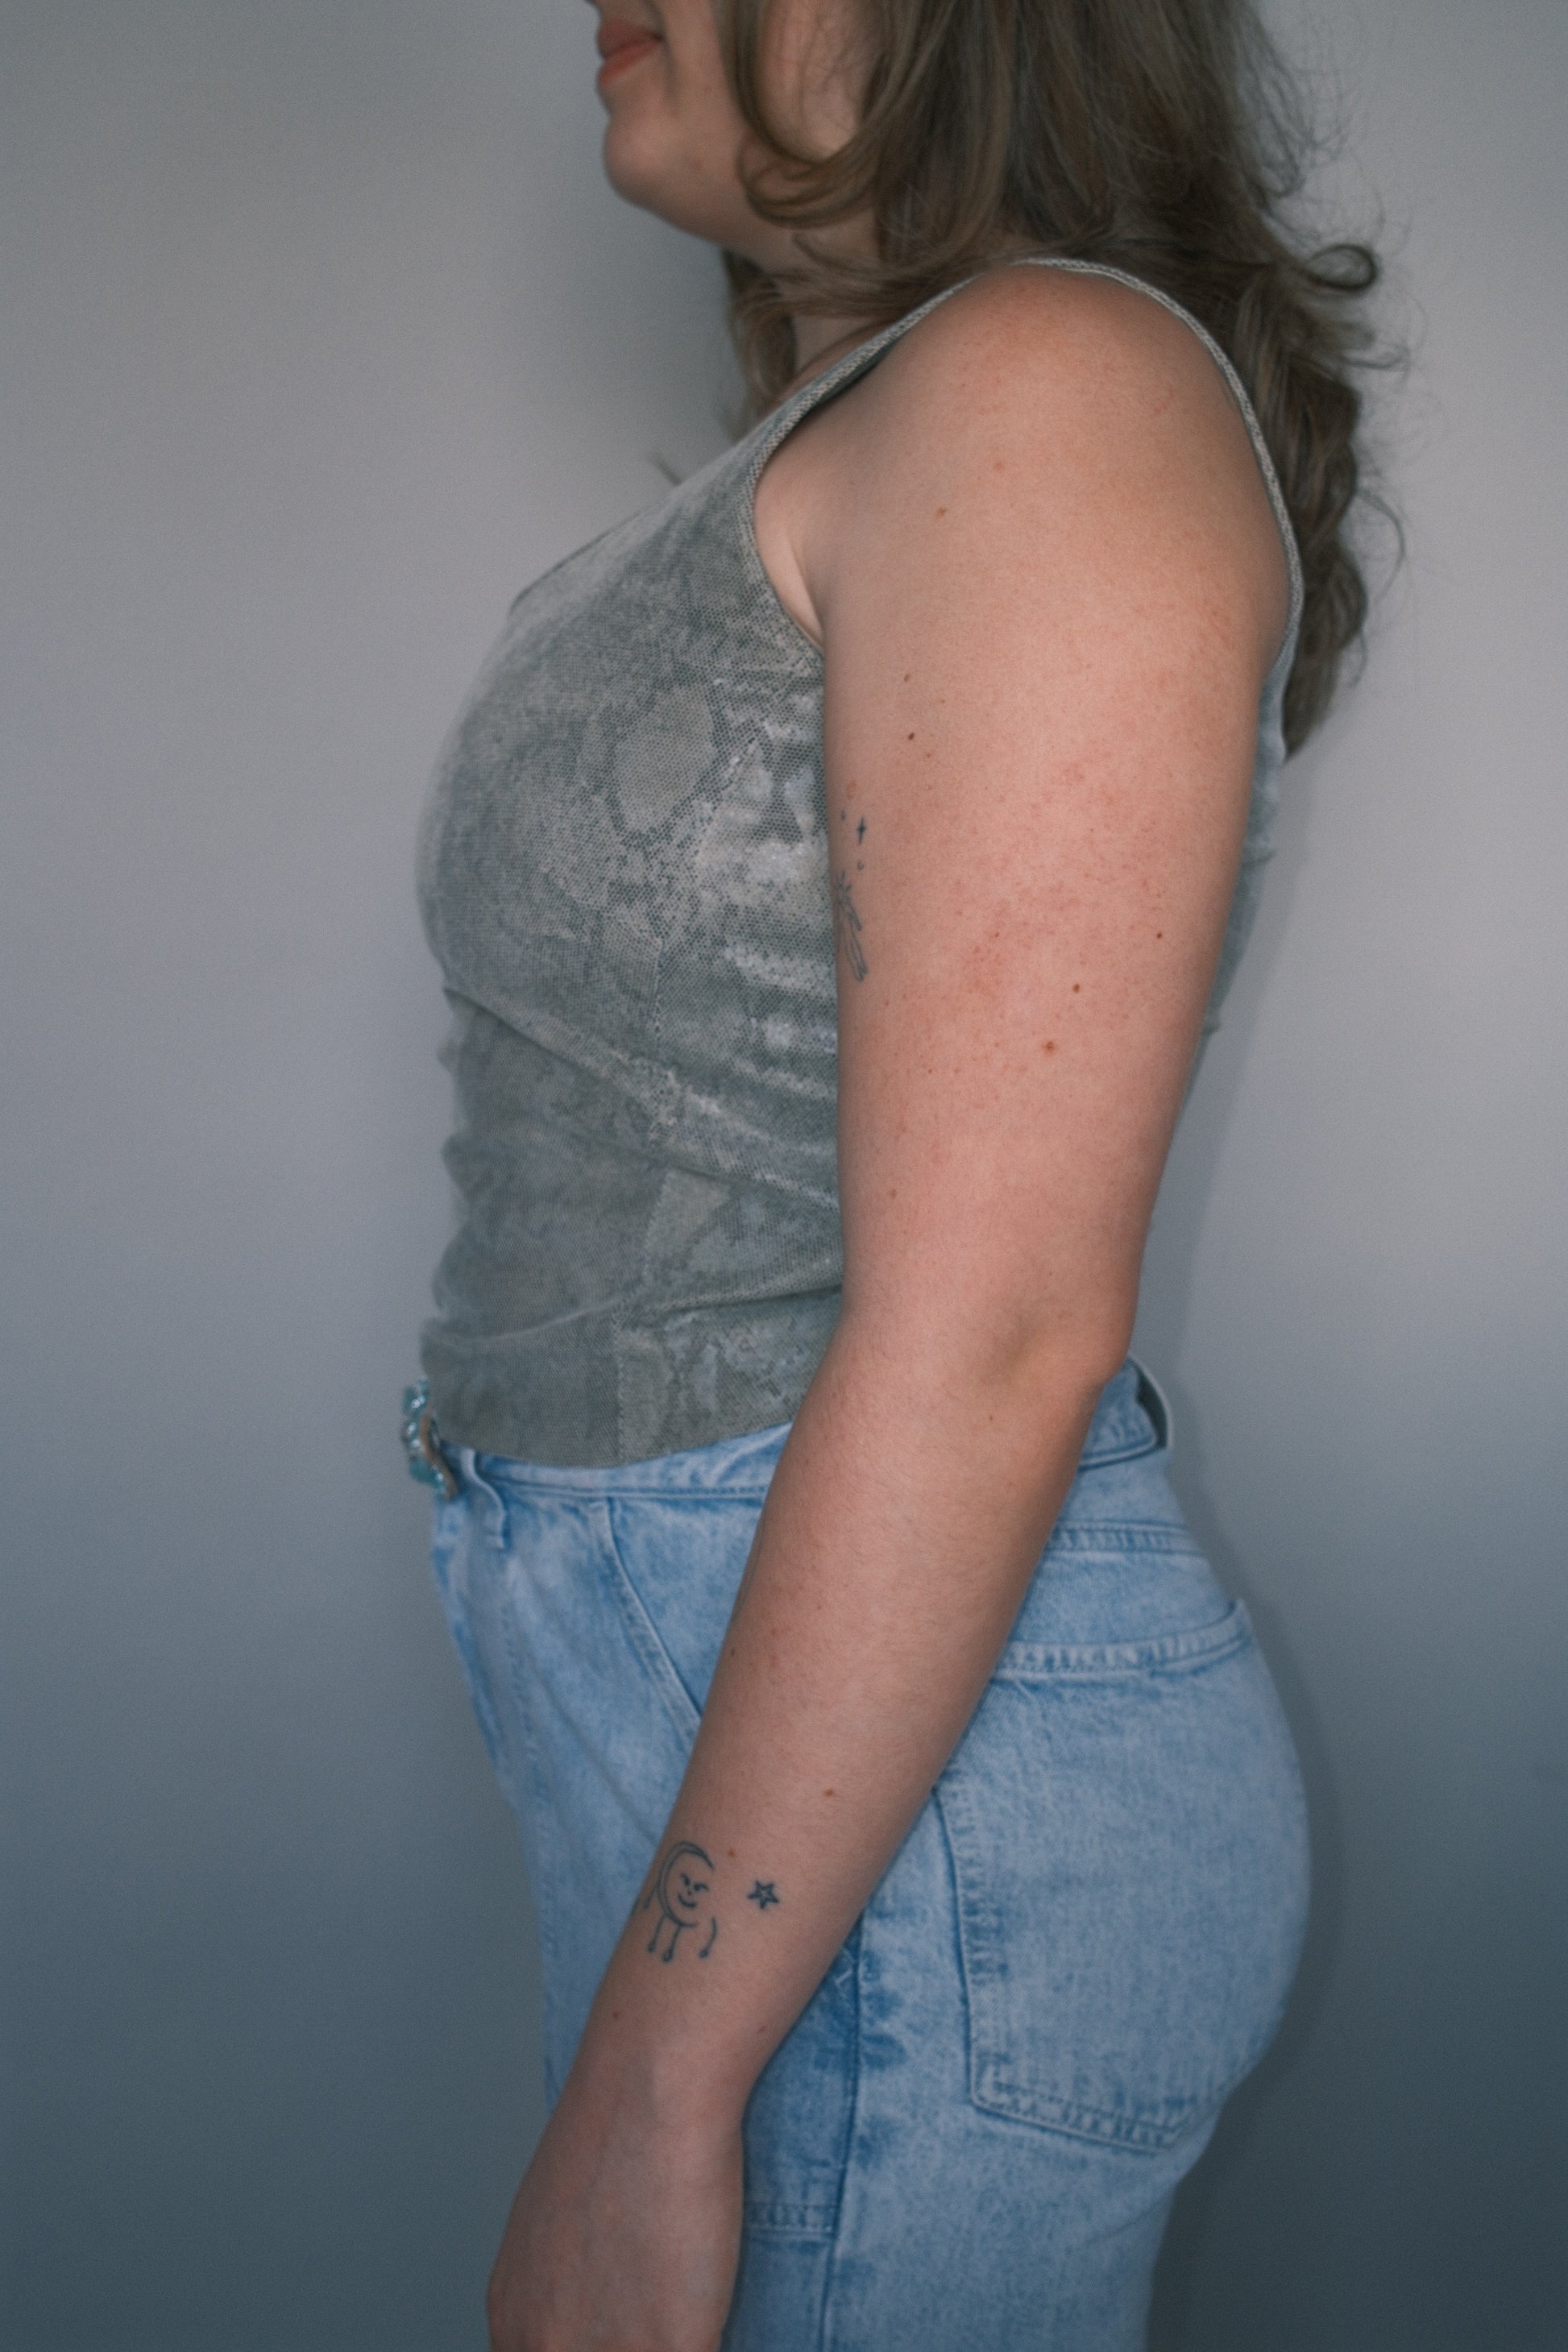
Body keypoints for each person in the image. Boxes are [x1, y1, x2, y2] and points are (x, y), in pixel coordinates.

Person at [404, 2, 1381, 2344]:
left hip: (907, 1828)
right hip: (819, 1758)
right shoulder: (928, 407)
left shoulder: (1052, 385)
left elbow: (998, 1327)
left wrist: (653, 2095)